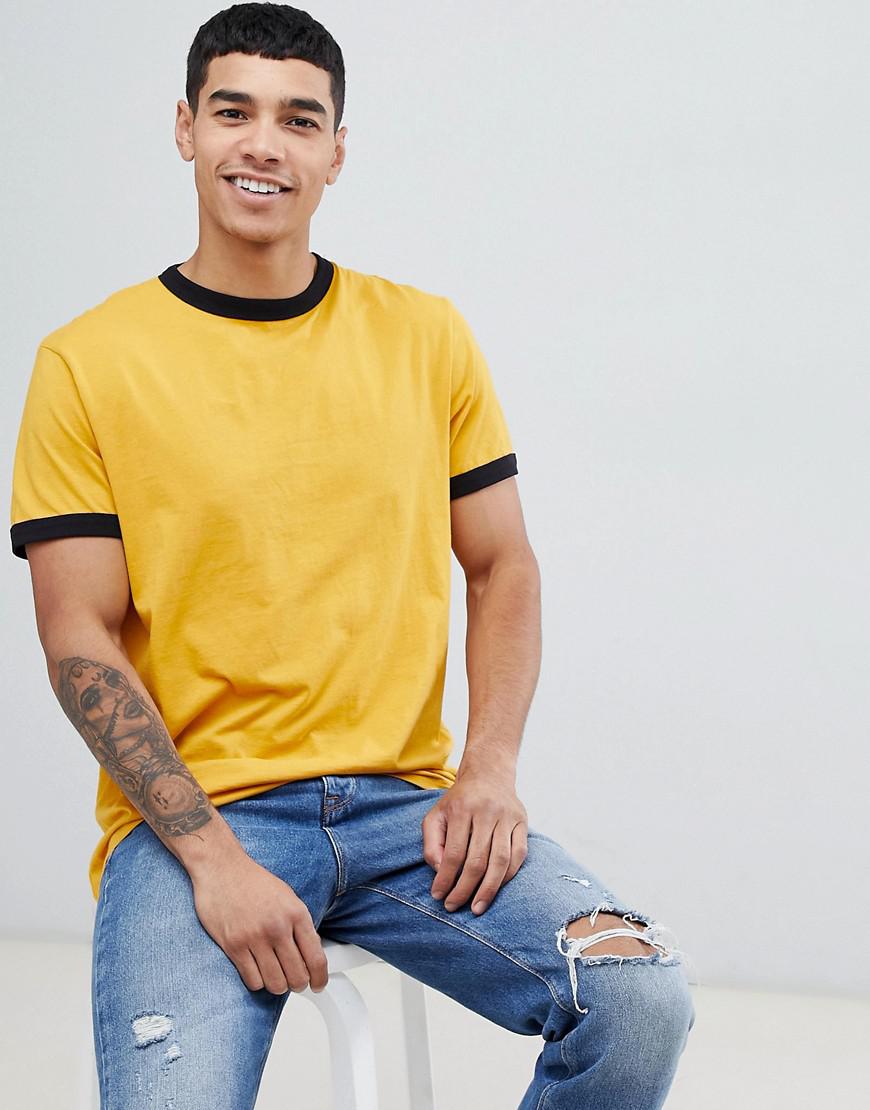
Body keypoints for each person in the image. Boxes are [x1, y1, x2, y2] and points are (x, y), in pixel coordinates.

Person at [9, 4, 695, 1107]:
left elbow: (503, 565)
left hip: (403, 813)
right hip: (198, 821)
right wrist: (214, 860)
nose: (263, 145)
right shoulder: (88, 363)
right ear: (185, 128)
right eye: (233, 112)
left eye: (299, 120)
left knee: (638, 996)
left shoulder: (425, 336)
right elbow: (77, 634)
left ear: (336, 150)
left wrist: (489, 773)